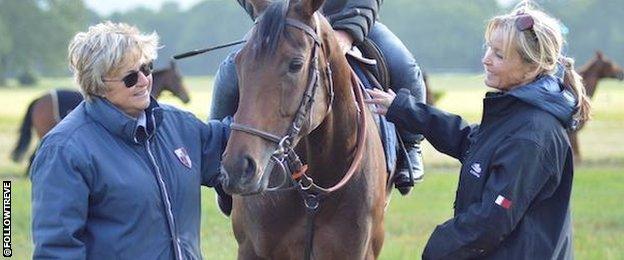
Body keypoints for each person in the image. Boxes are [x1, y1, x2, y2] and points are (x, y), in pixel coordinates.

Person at [366, 3, 590, 259]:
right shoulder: (517, 115)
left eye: (499, 55)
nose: (486, 59)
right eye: (488, 49)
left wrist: (438, 247)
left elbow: (492, 221)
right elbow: (472, 142)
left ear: (532, 67)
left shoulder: (533, 134)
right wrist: (404, 109)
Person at [30, 22, 230, 259]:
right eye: (130, 77)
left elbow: (241, 143)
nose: (144, 80)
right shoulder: (65, 149)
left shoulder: (181, 126)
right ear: (98, 84)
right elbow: (57, 250)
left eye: (146, 68)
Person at [210, 0, 427, 198]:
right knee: (228, 75)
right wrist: (269, 10)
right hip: (286, 25)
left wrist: (348, 31)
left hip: (349, 20)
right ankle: (219, 160)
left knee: (405, 68)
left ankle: (410, 144)